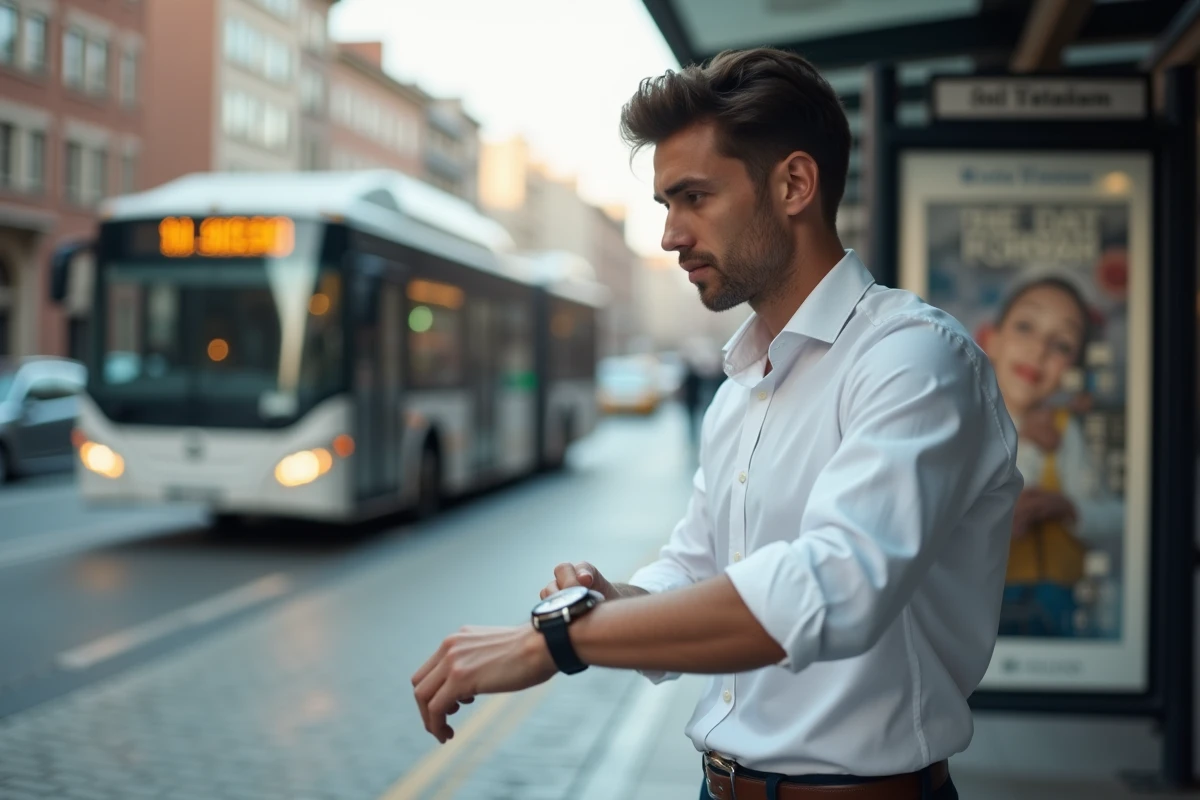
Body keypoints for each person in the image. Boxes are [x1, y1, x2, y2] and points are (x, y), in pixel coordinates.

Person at [412, 48, 1022, 800]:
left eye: (694, 197)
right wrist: (613, 600)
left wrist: (560, 641)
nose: (671, 235)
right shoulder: (741, 384)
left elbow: (833, 587)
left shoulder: (917, 359)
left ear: (795, 184)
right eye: (666, 205)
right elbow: (699, 566)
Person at [980, 277, 1124, 637]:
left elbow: (1118, 519)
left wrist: (1070, 509)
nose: (1039, 349)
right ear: (990, 339)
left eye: (1061, 344)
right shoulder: (963, 424)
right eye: (1026, 327)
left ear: (1074, 369)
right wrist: (1024, 443)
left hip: (1057, 605)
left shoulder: (1066, 432)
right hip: (978, 604)